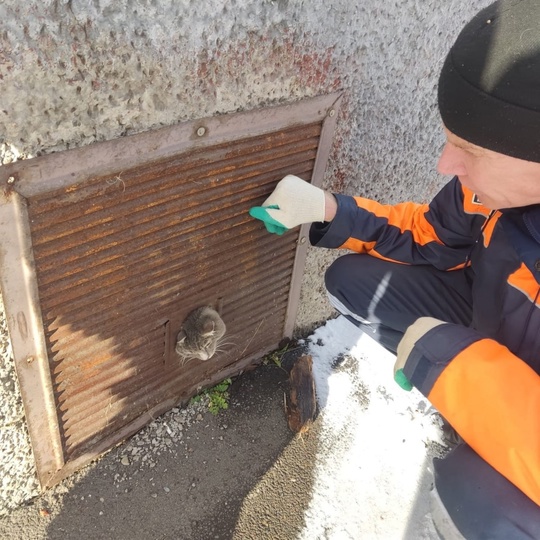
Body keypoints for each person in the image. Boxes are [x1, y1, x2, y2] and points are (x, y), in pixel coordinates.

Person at [249, 1, 540, 538]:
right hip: (492, 325)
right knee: (351, 282)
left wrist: (447, 363)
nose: (445, 165)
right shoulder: (496, 190)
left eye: (469, 150)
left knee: (481, 503)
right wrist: (331, 211)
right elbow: (430, 236)